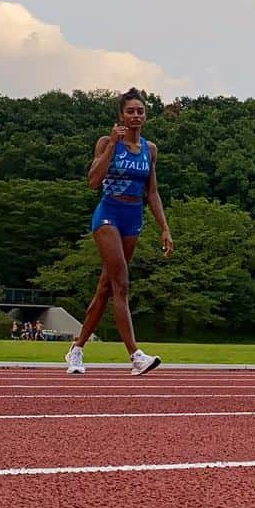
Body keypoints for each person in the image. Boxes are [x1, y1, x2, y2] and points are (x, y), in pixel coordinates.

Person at [64, 87, 174, 376]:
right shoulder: (106, 142)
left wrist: (164, 228)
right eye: (130, 111)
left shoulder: (150, 150)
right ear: (121, 115)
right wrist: (113, 144)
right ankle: (135, 355)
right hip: (108, 214)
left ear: (145, 115)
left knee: (105, 288)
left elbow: (152, 192)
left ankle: (76, 349)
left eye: (140, 111)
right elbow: (92, 180)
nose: (136, 115)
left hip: (133, 218)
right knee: (122, 284)